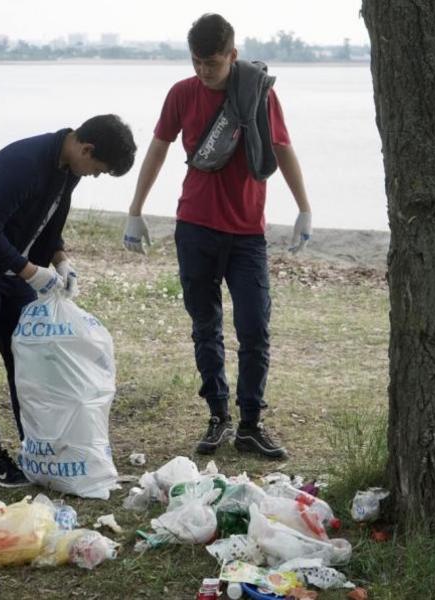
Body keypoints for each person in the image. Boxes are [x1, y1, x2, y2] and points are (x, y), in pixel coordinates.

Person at [122, 14, 312, 459]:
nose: (204, 72)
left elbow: (283, 148)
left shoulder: (259, 94)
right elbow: (158, 147)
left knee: (254, 329)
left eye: (212, 63)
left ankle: (250, 423)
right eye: (196, 62)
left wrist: (303, 207)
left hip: (247, 233)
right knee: (205, 327)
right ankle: (217, 416)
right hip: (195, 228)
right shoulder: (181, 93)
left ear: (233, 54)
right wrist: (135, 209)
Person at [0, 115, 136, 487]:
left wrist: (61, 260)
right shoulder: (25, 164)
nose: (93, 175)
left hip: (11, 270)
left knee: (28, 360)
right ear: (86, 148)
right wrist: (30, 271)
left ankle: (36, 447)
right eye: (97, 170)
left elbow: (50, 224)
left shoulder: (68, 170)